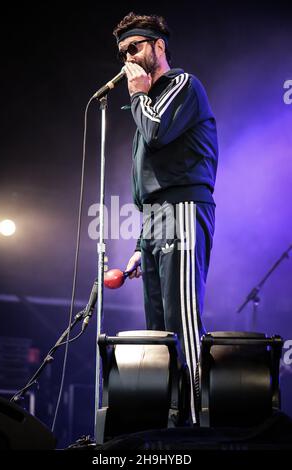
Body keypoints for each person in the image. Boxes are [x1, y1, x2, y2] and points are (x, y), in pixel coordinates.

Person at [113, 12, 218, 423]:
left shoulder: (182, 85)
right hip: (155, 216)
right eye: (122, 52)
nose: (129, 59)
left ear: (158, 46)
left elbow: (157, 135)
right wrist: (141, 243)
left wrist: (138, 95)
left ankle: (193, 420)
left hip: (184, 207)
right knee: (157, 326)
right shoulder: (146, 104)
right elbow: (148, 180)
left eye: (135, 47)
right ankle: (166, 417)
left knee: (181, 319)